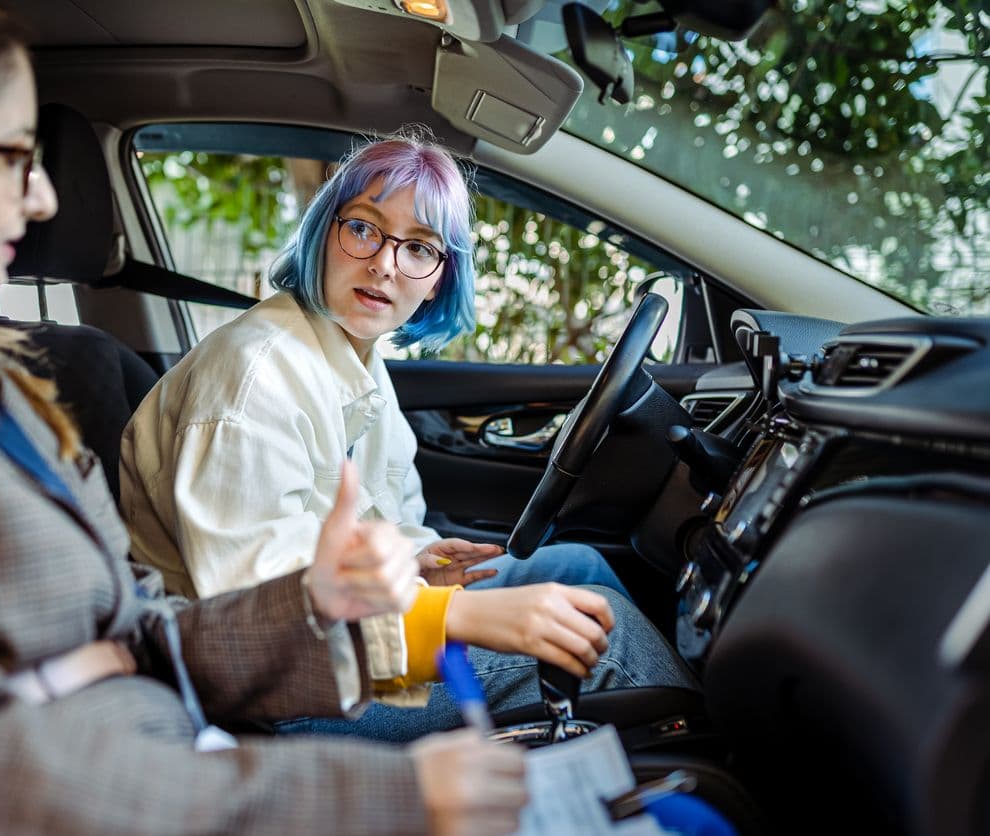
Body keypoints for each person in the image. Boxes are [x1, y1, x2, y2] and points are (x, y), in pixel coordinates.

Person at [0, 4, 529, 833]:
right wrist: (387, 797)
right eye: (13, 158)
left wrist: (316, 602)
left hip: (157, 751)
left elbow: (145, 631)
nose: (41, 195)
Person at [120, 135, 697, 741]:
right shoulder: (253, 378)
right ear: (324, 231)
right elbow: (259, 615)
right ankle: (711, 777)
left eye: (418, 246)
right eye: (365, 229)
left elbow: (375, 518)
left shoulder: (356, 359)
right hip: (272, 689)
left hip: (342, 626)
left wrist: (418, 564)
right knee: (612, 645)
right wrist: (452, 613)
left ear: (440, 276)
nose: (385, 265)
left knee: (581, 566)